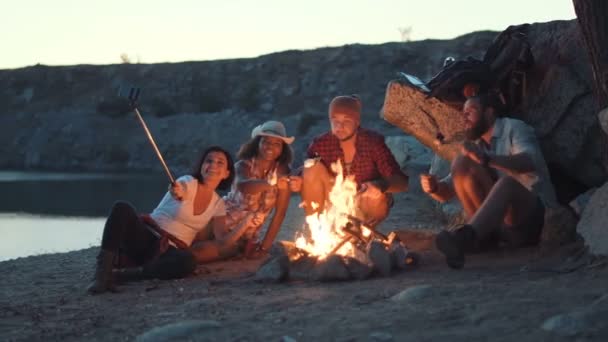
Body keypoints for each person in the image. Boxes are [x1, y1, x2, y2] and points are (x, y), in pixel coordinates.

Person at [87, 146, 256, 294]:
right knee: (121, 207)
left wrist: (246, 221)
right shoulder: (187, 182)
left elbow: (222, 241)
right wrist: (177, 192)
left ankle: (125, 276)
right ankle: (102, 275)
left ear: (227, 173)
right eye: (208, 160)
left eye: (220, 162)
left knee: (187, 261)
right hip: (146, 236)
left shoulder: (218, 204)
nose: (213, 165)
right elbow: (179, 190)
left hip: (169, 252)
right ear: (202, 166)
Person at [420, 93, 558, 269]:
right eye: (463, 112)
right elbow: (448, 190)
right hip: (503, 227)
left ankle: (466, 238)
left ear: (489, 113)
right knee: (460, 163)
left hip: (533, 219)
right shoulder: (477, 144)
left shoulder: (514, 128)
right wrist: (434, 188)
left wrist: (486, 159)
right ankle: (482, 238)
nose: (464, 116)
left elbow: (529, 161)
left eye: (471, 110)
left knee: (506, 184)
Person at [301, 95, 409, 226]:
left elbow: (401, 182)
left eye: (346, 121)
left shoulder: (372, 143)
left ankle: (361, 233)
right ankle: (318, 228)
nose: (339, 126)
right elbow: (307, 175)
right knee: (311, 168)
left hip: (365, 204)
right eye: (335, 121)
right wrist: (296, 179)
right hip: (334, 202)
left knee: (374, 195)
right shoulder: (321, 144)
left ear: (357, 122)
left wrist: (380, 186)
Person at [212, 120, 300, 259]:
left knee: (233, 254)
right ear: (257, 143)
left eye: (277, 143)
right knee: (206, 249)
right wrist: (273, 183)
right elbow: (245, 187)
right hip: (221, 224)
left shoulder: (283, 171)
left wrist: (264, 248)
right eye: (266, 141)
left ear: (283, 148)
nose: (270, 146)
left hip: (247, 234)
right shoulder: (243, 165)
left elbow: (280, 213)